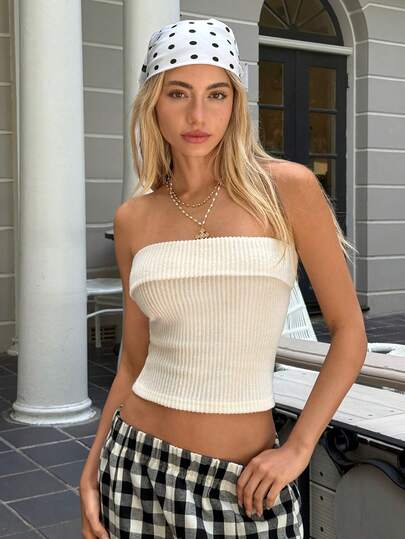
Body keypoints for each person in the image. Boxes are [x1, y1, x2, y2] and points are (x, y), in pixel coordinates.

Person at [79, 17, 368, 539]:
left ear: (236, 104)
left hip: (242, 482)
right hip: (134, 464)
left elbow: (350, 333)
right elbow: (133, 360)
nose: (198, 115)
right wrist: (91, 467)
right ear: (153, 103)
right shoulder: (133, 218)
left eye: (217, 94)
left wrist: (299, 447)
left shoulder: (286, 189)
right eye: (178, 93)